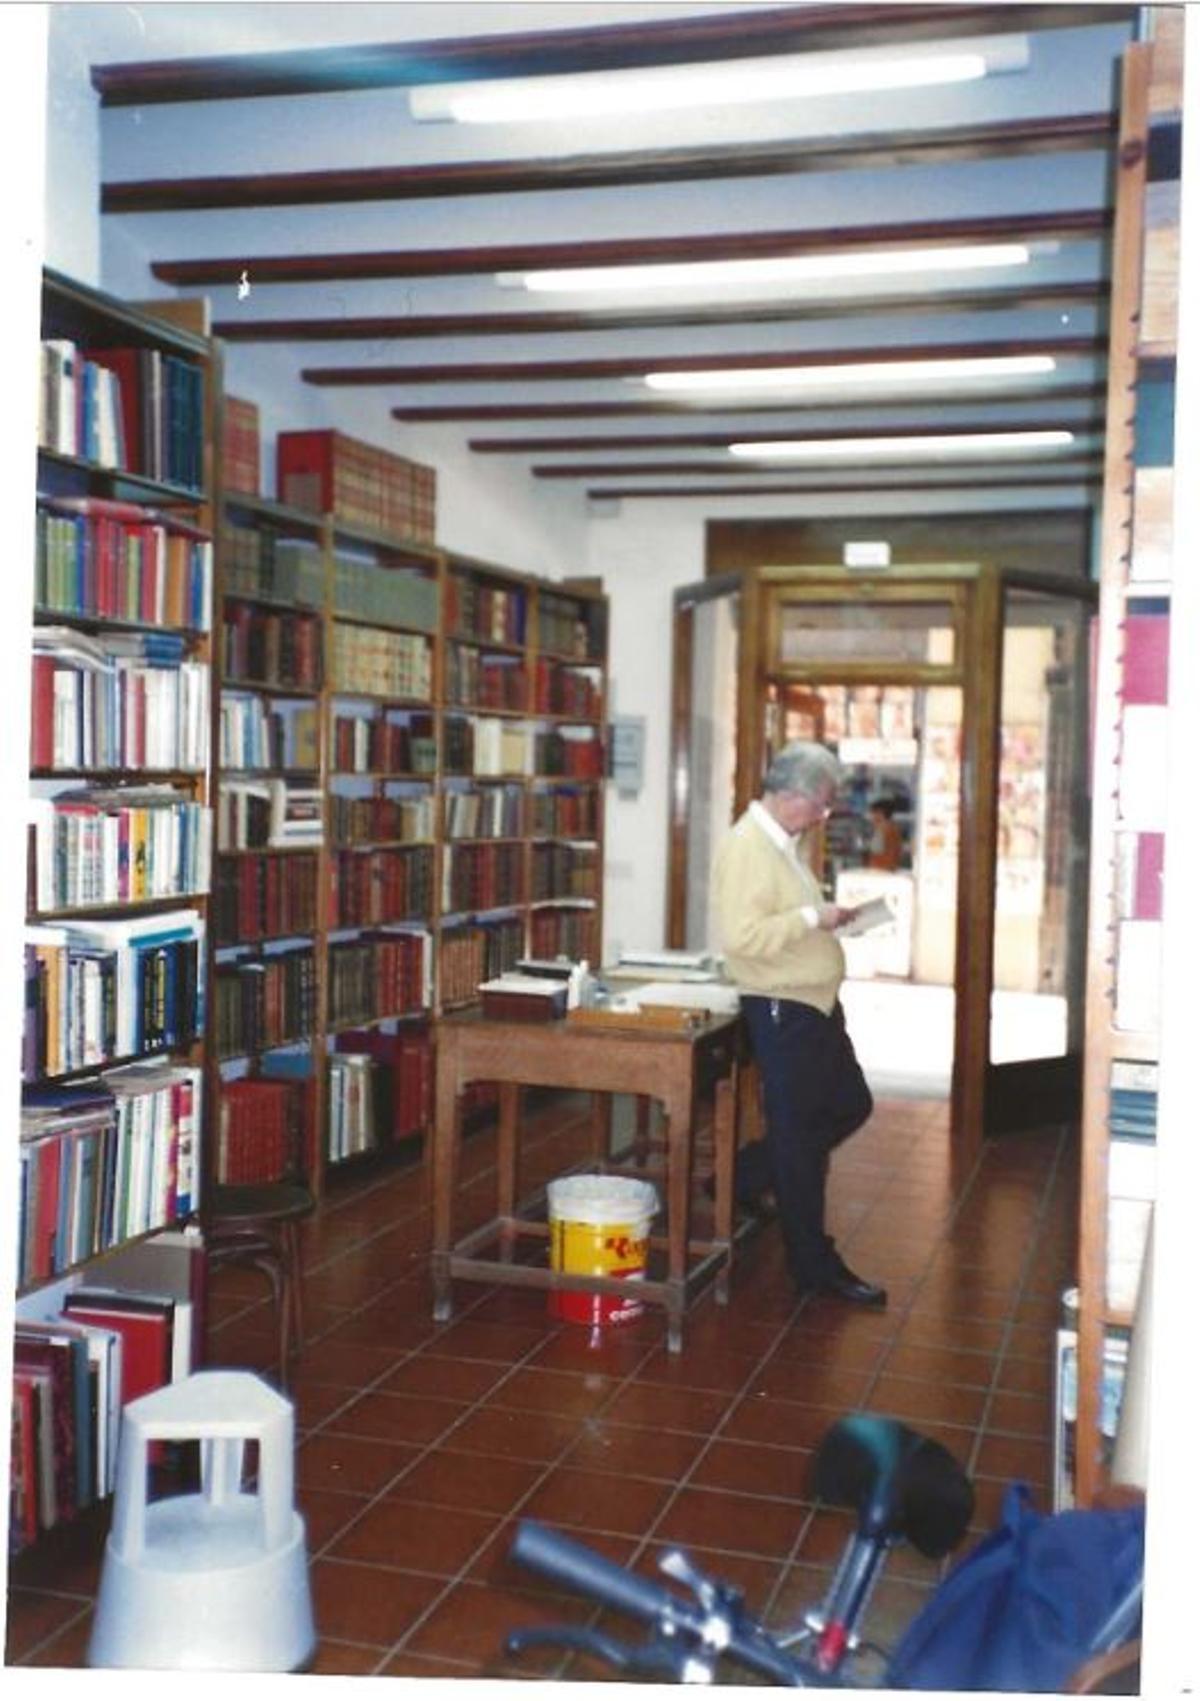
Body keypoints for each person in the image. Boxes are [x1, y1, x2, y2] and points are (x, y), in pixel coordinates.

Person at [711, 741, 886, 1307]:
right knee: (802, 1140)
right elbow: (743, 939)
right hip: (784, 1007)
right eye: (821, 804)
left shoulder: (782, 843)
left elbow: (778, 921)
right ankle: (814, 1266)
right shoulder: (748, 847)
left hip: (813, 1004)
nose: (823, 815)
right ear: (790, 796)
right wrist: (814, 916)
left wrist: (825, 921)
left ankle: (737, 1179)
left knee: (848, 1105)